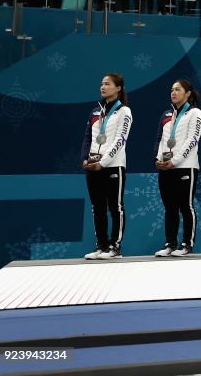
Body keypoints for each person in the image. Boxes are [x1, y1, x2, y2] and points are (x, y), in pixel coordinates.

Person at [82, 73, 133, 260]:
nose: (103, 87)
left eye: (107, 84)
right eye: (102, 84)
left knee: (115, 207)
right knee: (98, 207)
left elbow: (121, 139)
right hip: (93, 166)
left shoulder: (124, 111)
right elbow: (88, 137)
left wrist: (102, 163)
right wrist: (85, 159)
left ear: (118, 88)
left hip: (113, 166)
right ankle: (101, 246)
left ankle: (115, 247)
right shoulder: (95, 111)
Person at [154, 79, 201, 257]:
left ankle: (186, 244)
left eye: (177, 89)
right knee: (170, 208)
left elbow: (192, 140)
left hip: (185, 167)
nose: (173, 92)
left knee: (186, 206)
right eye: (172, 89)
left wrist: (175, 161)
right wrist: (158, 158)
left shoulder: (195, 113)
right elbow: (160, 139)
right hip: (166, 168)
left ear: (188, 93)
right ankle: (170, 243)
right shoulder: (167, 114)